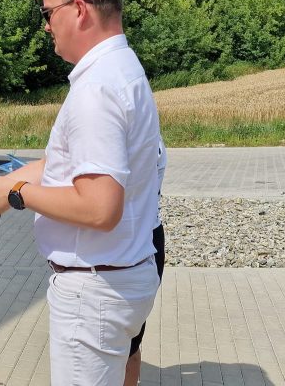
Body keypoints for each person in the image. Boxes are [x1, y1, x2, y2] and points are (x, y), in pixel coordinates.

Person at [0, 0, 163, 385]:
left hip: (93, 291)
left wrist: (16, 196)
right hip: (119, 278)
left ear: (79, 9)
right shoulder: (122, 68)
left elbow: (100, 208)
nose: (46, 25)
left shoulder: (96, 89)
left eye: (48, 12)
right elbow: (58, 165)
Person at [124, 139, 167, 385]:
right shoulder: (149, 132)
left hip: (137, 244)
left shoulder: (141, 138)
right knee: (130, 339)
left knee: (128, 341)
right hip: (147, 237)